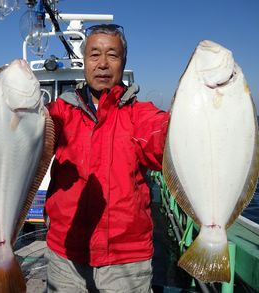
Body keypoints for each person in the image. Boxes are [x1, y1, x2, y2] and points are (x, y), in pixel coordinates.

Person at [44, 24, 170, 292]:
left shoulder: (140, 114)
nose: (102, 64)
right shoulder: (59, 112)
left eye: (112, 55)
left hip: (126, 259)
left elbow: (162, 139)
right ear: (84, 62)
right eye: (94, 55)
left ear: (123, 63)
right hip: (65, 255)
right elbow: (28, 135)